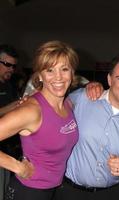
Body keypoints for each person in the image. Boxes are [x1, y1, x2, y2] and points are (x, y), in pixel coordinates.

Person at [54, 53, 119, 200]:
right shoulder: (82, 98)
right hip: (68, 191)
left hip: (110, 194)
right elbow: (52, 112)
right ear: (109, 79)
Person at [1, 40, 79, 200]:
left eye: (64, 69)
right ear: (40, 75)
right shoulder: (31, 110)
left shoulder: (68, 104)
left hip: (55, 188)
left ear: (72, 73)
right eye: (50, 70)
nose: (58, 77)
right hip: (29, 192)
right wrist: (17, 166)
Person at [0, 44, 19, 200]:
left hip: (7, 150)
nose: (11, 69)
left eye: (13, 66)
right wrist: (13, 107)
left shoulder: (9, 85)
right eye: (7, 65)